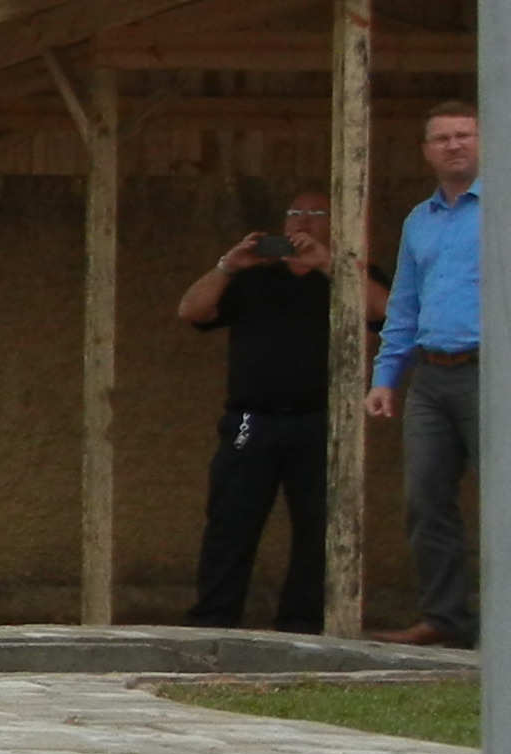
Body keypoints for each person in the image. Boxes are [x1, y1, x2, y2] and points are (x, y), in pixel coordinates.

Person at [178, 189, 381, 634]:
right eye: (295, 213)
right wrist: (230, 265)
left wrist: (329, 265)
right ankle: (213, 620)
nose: (302, 223)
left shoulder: (347, 274)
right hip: (253, 420)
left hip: (320, 421)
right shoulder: (253, 278)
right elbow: (191, 310)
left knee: (319, 528)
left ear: (335, 222)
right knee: (232, 522)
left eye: (315, 214)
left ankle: (303, 624)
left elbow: (385, 310)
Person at [367, 99, 483, 647]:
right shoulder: (419, 220)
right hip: (432, 377)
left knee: (502, 499)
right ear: (426, 151)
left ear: (486, 141)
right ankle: (445, 619)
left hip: (493, 373)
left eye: (464, 135)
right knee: (425, 499)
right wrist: (385, 377)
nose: (454, 145)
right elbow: (404, 307)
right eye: (442, 138)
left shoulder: (501, 208)